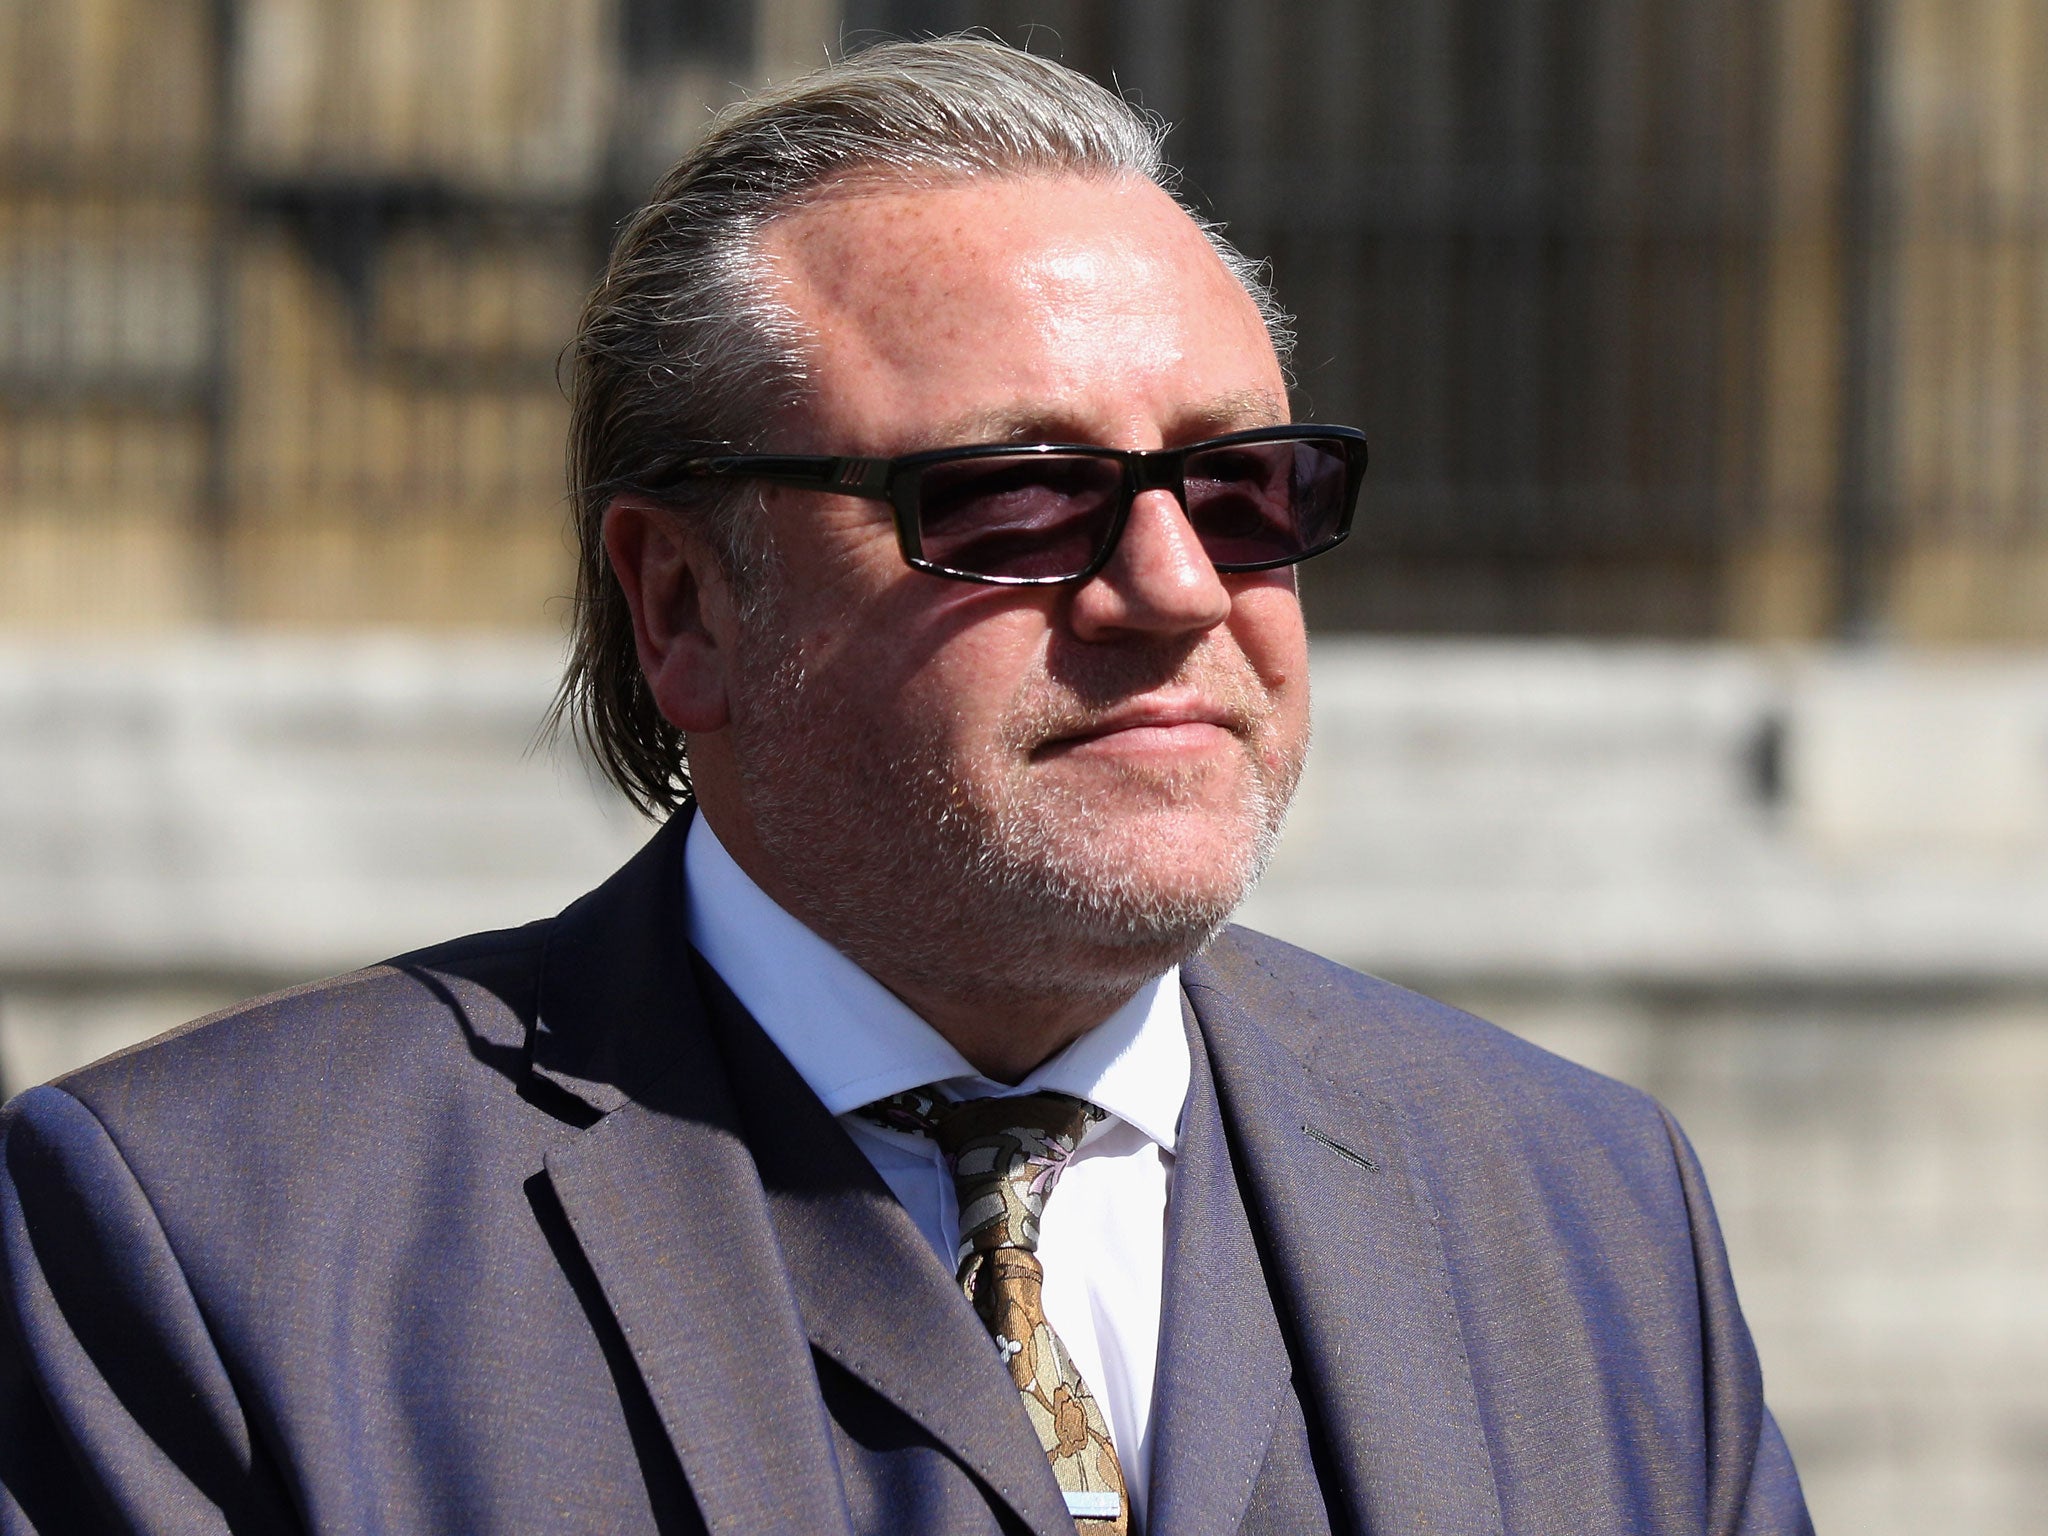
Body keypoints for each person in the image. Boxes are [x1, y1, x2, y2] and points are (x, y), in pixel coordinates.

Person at [0, 37, 1810, 1536]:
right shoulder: (210, 1244)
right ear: (685, 604)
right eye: (1016, 497)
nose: (1177, 587)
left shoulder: (1585, 1213)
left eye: (1243, 487)